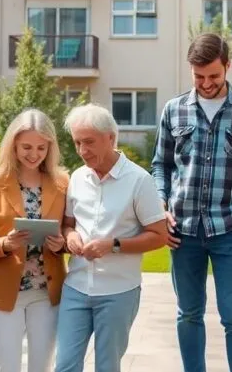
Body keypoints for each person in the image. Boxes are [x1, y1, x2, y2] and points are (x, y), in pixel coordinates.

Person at [152, 33, 232, 372]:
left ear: (228, 66)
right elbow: (160, 166)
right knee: (189, 313)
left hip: (230, 230)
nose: (206, 84)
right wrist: (161, 205)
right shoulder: (173, 110)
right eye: (198, 77)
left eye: (213, 75)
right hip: (183, 231)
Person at [57, 103, 167, 372]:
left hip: (118, 292)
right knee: (65, 366)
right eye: (77, 143)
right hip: (76, 287)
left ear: (111, 138)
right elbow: (68, 225)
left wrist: (113, 245)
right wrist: (69, 236)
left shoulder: (139, 181)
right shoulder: (77, 178)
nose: (83, 151)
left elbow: (159, 235)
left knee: (107, 367)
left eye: (89, 142)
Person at [0, 109, 69, 372]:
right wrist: (6, 243)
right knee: (7, 367)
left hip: (46, 291)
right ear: (13, 144)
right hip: (5, 292)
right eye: (26, 146)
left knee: (42, 366)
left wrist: (59, 244)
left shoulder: (62, 181)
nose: (34, 153)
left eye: (41, 147)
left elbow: (70, 232)